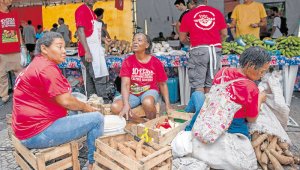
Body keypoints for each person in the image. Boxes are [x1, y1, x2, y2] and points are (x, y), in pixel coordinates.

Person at [11, 32, 104, 170]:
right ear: (44, 49)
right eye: (59, 47)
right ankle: (92, 164)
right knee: (97, 119)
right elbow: (66, 101)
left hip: (25, 128)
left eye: (64, 47)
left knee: (75, 106)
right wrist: (86, 107)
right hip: (36, 133)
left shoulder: (37, 63)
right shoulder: (46, 68)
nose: (64, 51)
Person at [191, 46, 270, 169]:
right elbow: (251, 119)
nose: (262, 75)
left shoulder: (223, 71)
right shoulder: (252, 88)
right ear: (250, 65)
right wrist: (259, 98)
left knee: (197, 96)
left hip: (210, 114)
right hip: (232, 125)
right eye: (261, 71)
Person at [111, 33, 172, 120]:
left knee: (147, 102)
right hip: (133, 94)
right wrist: (126, 104)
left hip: (150, 91)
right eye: (134, 40)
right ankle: (141, 122)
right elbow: (125, 84)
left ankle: (152, 123)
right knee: (115, 107)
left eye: (139, 40)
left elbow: (162, 84)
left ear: (147, 45)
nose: (135, 42)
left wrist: (167, 104)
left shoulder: (155, 62)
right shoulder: (128, 61)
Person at [179, 0, 227, 94]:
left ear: (193, 2)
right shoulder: (216, 12)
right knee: (210, 83)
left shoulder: (188, 15)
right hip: (215, 50)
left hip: (198, 50)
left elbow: (182, 38)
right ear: (206, 1)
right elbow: (224, 34)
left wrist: (191, 42)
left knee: (198, 84)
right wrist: (215, 41)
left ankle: (200, 108)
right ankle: (208, 108)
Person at [75, 0, 111, 99]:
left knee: (92, 77)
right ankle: (102, 102)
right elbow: (80, 31)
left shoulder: (91, 11)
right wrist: (87, 51)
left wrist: (103, 39)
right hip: (89, 50)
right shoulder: (82, 10)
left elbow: (91, 32)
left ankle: (94, 103)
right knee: (98, 78)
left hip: (95, 49)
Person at [0, 0, 23, 106]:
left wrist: (23, 46)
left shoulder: (14, 14)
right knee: (2, 74)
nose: (11, 0)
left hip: (15, 49)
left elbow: (18, 31)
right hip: (2, 51)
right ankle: (4, 96)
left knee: (19, 73)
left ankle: (21, 93)